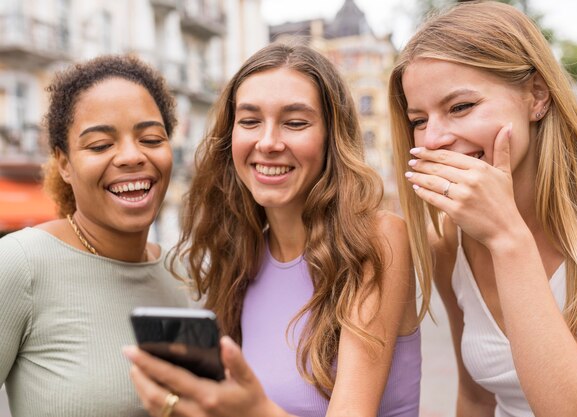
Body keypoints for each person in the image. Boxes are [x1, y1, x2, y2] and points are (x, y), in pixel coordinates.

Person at [125, 42, 426, 417]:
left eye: (295, 122)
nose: (268, 142)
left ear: (332, 137)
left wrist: (250, 409)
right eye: (250, 121)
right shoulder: (240, 257)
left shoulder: (378, 239)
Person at [389, 2, 577, 417]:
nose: (434, 139)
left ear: (536, 95)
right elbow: (476, 397)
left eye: (460, 107)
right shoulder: (449, 238)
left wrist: (506, 238)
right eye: (419, 119)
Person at [0, 55, 189, 417]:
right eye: (101, 145)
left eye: (150, 138)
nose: (132, 156)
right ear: (65, 163)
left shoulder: (189, 277)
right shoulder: (19, 264)